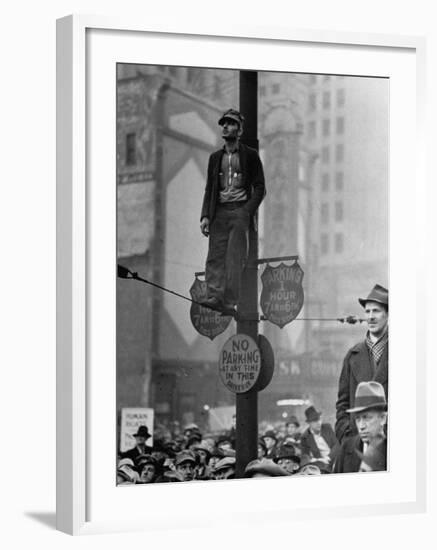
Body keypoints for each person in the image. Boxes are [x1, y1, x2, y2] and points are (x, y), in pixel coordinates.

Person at [200, 108, 266, 313]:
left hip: (239, 211)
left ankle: (229, 301)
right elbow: (210, 188)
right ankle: (214, 296)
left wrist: (247, 211)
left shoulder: (250, 156)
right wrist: (205, 216)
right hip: (219, 211)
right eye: (224, 123)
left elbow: (260, 188)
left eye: (230, 123)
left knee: (235, 257)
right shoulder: (215, 158)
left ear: (239, 129)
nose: (226, 126)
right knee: (215, 256)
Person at [335, 284, 389, 443]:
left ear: (388, 314)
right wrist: (345, 435)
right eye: (367, 311)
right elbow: (342, 403)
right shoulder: (352, 355)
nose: (371, 316)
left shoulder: (404, 353)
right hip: (356, 443)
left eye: (376, 311)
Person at [333, 381, 387, 474]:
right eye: (358, 419)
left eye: (367, 418)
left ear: (383, 418)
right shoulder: (346, 448)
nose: (361, 426)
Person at [300, 406, 338, 471]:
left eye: (319, 419)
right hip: (320, 466)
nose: (319, 423)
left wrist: (328, 458)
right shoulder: (305, 437)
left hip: (333, 459)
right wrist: (315, 460)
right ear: (309, 423)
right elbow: (304, 456)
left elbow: (336, 445)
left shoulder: (327, 428)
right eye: (315, 420)